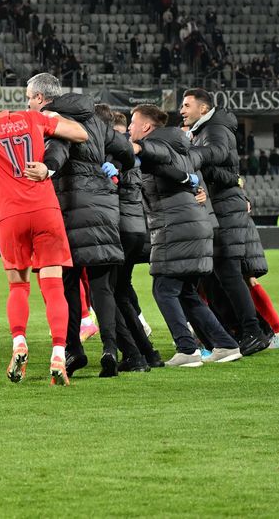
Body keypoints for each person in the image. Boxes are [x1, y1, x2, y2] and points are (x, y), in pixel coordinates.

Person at [0, 98, 88, 386]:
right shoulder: (33, 117)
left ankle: (19, 343)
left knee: (18, 286)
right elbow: (80, 134)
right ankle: (59, 353)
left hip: (11, 216)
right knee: (54, 286)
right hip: (46, 210)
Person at [25, 73, 134, 379]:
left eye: (28, 97)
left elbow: (58, 151)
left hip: (71, 208)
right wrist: (118, 167)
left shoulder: (57, 120)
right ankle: (110, 349)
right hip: (105, 206)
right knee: (102, 286)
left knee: (69, 284)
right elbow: (126, 150)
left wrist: (47, 168)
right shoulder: (97, 118)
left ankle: (74, 348)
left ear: (39, 98)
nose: (28, 102)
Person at [128, 104, 242, 365]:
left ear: (146, 127)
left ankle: (187, 348)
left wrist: (140, 148)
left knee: (164, 289)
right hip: (192, 225)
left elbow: (155, 153)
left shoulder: (156, 147)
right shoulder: (184, 149)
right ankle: (225, 344)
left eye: (134, 123)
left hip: (176, 227)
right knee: (185, 292)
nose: (130, 128)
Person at [180, 89, 270, 355]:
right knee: (219, 274)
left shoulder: (215, 128)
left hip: (225, 209)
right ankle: (253, 329)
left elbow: (218, 156)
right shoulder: (204, 130)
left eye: (187, 105)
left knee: (229, 273)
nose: (181, 110)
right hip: (221, 207)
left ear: (204, 108)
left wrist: (190, 152)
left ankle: (252, 330)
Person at [107, 108, 162, 371]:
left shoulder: (115, 154)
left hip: (118, 230)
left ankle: (133, 355)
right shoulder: (131, 155)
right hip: (135, 228)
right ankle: (147, 353)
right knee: (122, 293)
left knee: (109, 295)